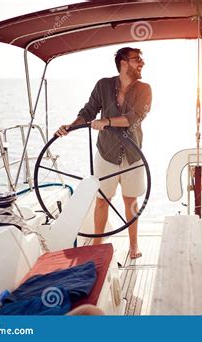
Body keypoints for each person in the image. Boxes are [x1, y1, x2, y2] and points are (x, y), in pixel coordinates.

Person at [56, 47, 152, 259]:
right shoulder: (103, 85)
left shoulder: (145, 89)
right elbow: (88, 112)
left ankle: (133, 246)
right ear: (123, 63)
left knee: (131, 201)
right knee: (102, 200)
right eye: (137, 59)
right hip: (106, 154)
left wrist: (106, 122)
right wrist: (70, 127)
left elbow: (134, 117)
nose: (142, 63)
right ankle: (97, 245)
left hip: (132, 156)